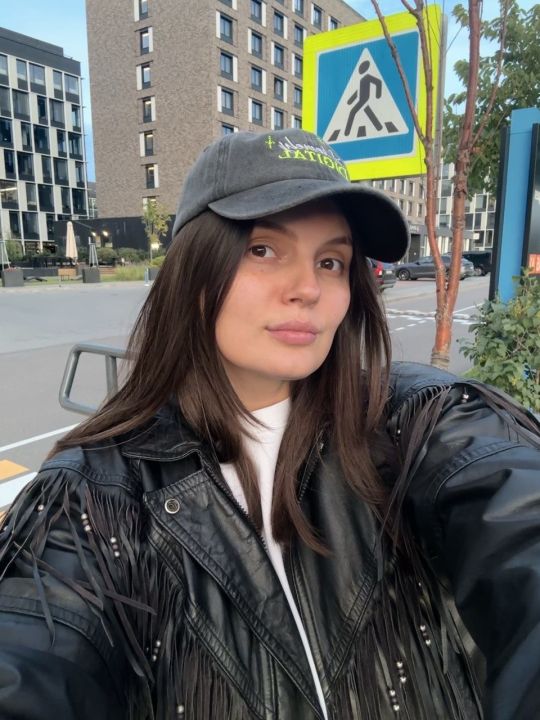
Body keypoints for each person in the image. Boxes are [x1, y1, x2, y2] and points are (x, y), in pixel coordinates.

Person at [0, 129, 539, 720]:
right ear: (195, 272)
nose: (308, 289)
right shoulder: (94, 498)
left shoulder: (418, 423)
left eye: (331, 262)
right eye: (263, 249)